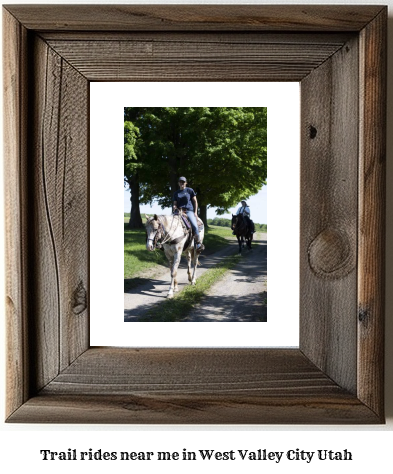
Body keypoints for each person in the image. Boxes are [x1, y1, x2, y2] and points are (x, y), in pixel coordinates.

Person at [173, 177, 203, 251]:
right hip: (179, 211)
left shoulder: (190, 190)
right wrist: (174, 206)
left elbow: (195, 201)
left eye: (183, 182)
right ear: (178, 183)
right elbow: (175, 203)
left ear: (186, 183)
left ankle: (198, 243)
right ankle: (165, 243)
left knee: (194, 225)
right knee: (170, 224)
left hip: (188, 211)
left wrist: (195, 212)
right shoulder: (176, 193)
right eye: (180, 182)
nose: (181, 183)